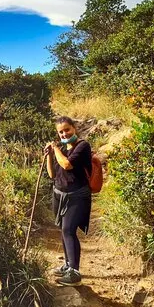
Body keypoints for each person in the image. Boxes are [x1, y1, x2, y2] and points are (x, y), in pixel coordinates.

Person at [44, 116, 92, 286]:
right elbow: (52, 174)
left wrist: (55, 148)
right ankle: (68, 265)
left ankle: (74, 273)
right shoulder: (62, 150)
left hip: (77, 196)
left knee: (68, 230)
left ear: (74, 128)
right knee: (63, 229)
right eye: (61, 132)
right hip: (60, 195)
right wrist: (50, 155)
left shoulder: (83, 146)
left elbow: (67, 165)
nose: (64, 134)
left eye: (67, 130)